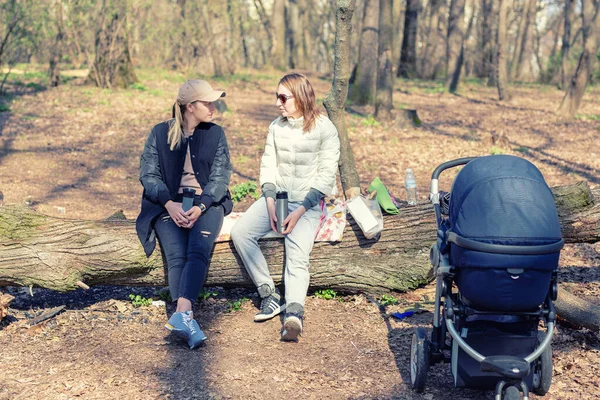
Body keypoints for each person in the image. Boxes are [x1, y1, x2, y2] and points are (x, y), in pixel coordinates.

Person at [230, 73, 340, 342]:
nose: (278, 103)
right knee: (241, 233)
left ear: (300, 97)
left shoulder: (326, 129)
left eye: (283, 97)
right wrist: (268, 202)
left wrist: (301, 210)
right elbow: (267, 167)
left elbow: (326, 176)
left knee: (296, 249)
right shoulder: (275, 128)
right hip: (276, 199)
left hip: (308, 203)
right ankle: (269, 293)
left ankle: (294, 313)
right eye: (276, 97)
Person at [136, 79, 232, 349]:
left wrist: (201, 206)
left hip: (207, 203)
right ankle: (186, 317)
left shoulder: (216, 134)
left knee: (199, 249)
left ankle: (183, 314)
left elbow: (220, 177)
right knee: (176, 253)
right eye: (207, 102)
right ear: (190, 107)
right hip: (167, 204)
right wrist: (169, 204)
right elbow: (149, 174)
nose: (213, 107)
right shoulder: (159, 133)